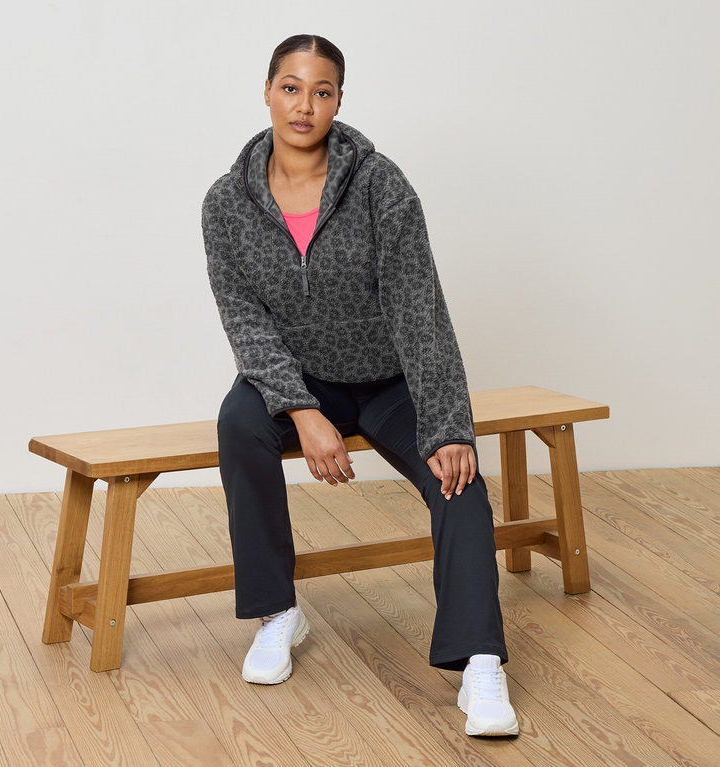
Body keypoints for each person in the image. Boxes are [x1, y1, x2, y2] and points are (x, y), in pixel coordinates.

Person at [202, 34, 519, 737]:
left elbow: (418, 309)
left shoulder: (381, 185)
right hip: (296, 379)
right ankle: (277, 613)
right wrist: (301, 409)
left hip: (387, 383)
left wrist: (447, 424)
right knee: (239, 423)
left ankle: (480, 661)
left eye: (321, 91)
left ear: (339, 100)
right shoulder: (225, 203)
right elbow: (245, 320)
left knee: (458, 475)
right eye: (291, 88)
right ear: (267, 92)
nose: (304, 105)